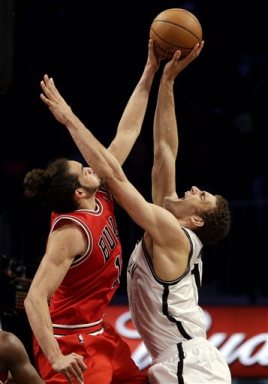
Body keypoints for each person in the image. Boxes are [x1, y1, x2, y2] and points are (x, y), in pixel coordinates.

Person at [38, 39, 232, 384]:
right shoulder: (164, 225)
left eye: (202, 196)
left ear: (196, 220)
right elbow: (164, 149)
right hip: (173, 360)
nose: (194, 188)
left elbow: (112, 171)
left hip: (190, 364)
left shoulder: (174, 235)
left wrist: (69, 119)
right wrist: (166, 81)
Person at [23, 40, 160, 384]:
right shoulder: (70, 233)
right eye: (82, 169)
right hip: (71, 343)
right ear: (79, 193)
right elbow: (34, 299)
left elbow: (127, 131)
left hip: (98, 330)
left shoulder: (101, 191)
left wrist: (150, 71)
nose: (90, 166)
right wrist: (55, 356)